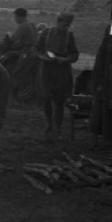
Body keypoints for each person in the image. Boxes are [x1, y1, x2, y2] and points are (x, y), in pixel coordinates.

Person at [36, 12, 79, 140]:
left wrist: (65, 60)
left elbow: (74, 55)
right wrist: (43, 57)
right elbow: (37, 50)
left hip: (62, 72)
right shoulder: (46, 33)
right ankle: (49, 123)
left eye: (68, 26)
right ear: (58, 22)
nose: (65, 28)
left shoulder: (70, 36)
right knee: (46, 98)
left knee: (59, 101)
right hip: (47, 70)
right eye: (64, 25)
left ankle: (58, 127)